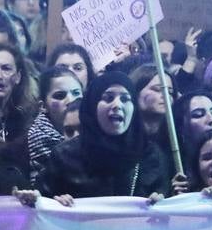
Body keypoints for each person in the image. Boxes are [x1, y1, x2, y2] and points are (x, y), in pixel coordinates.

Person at [36, 71, 171, 206]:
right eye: (108, 98)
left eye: (125, 99)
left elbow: (165, 206)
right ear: (92, 105)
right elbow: (41, 206)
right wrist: (54, 203)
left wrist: (161, 203)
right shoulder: (64, 156)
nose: (117, 105)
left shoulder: (151, 156)